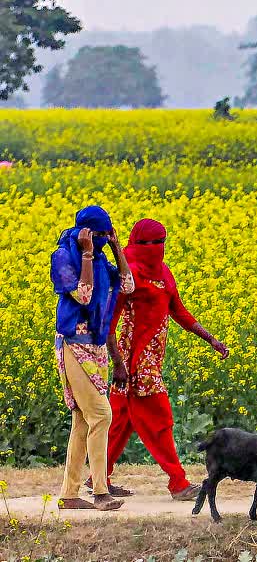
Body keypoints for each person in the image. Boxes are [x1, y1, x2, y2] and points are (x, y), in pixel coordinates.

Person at [101, 218, 229, 501]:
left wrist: (210, 339)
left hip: (151, 361)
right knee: (159, 420)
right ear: (137, 244)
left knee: (120, 423)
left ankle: (98, 478)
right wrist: (118, 364)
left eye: (162, 242)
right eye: (151, 243)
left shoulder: (163, 273)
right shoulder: (129, 274)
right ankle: (178, 483)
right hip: (136, 365)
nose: (157, 248)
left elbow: (178, 310)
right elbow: (110, 322)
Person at [51, 206, 133, 511]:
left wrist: (116, 247)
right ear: (84, 233)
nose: (101, 240)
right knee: (102, 415)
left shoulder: (101, 258)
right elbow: (83, 295)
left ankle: (69, 494)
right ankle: (100, 492)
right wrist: (86, 253)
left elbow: (127, 286)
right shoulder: (63, 257)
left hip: (96, 346)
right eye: (98, 235)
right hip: (73, 344)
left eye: (105, 235)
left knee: (84, 421)